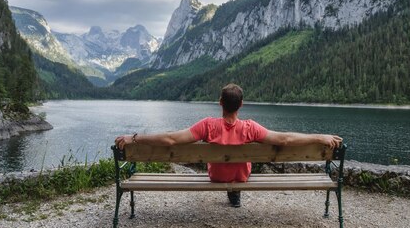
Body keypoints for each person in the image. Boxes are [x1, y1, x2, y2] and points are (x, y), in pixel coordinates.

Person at [115, 83, 342, 208]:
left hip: (216, 177)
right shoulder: (251, 127)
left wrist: (134, 138)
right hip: (242, 176)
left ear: (220, 103)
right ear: (241, 105)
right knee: (240, 166)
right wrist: (319, 137)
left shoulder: (207, 125)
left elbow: (170, 140)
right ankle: (235, 192)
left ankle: (230, 188)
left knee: (219, 163)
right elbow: (285, 140)